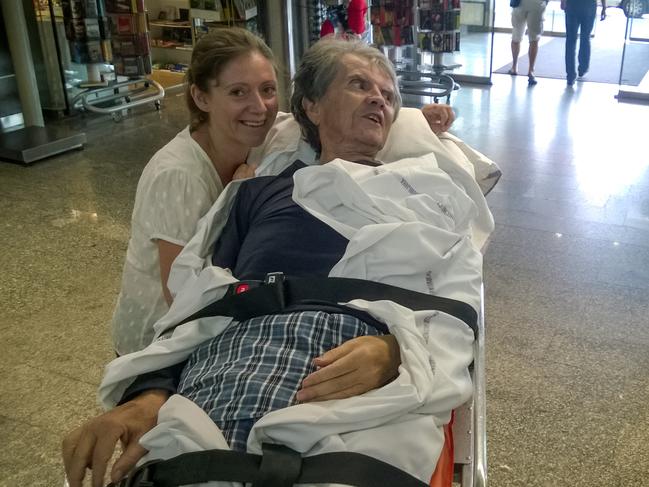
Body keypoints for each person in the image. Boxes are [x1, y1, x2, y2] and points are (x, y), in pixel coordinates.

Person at [63, 38, 486, 487]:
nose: (378, 99)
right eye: (360, 84)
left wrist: (399, 353)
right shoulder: (255, 193)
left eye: (387, 95)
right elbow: (197, 301)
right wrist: (150, 394)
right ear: (314, 107)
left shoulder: (430, 192)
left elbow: (460, 295)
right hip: (235, 352)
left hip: (355, 357)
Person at [111, 27, 457, 357]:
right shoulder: (180, 174)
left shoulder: (264, 133)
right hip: (160, 332)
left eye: (267, 89)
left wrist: (417, 116)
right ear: (201, 97)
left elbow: (352, 112)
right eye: (237, 92)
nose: (259, 107)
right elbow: (180, 294)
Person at [561, 0, 607, 86]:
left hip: (572, 5)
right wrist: (604, 6)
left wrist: (563, 1)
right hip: (589, 6)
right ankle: (583, 67)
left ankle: (570, 75)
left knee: (570, 41)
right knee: (585, 38)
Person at [509, 0, 549, 85]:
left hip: (520, 3)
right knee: (534, 38)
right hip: (537, 4)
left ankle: (514, 67)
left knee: (516, 35)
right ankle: (530, 71)